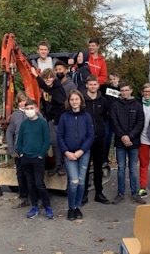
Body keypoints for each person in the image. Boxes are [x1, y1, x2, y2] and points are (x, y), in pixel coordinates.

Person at [58, 90, 95, 220]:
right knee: (73, 181)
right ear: (69, 101)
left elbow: (91, 135)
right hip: (69, 154)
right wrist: (66, 152)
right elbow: (60, 136)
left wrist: (81, 151)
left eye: (76, 99)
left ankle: (77, 207)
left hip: (83, 153)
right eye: (72, 99)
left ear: (81, 101)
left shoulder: (86, 116)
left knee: (81, 182)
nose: (74, 102)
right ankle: (70, 208)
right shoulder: (64, 117)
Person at [110, 81, 146, 205]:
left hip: (133, 142)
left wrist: (130, 136)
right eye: (122, 90)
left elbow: (140, 122)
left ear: (131, 90)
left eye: (127, 90)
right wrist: (123, 136)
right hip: (120, 143)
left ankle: (135, 193)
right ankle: (120, 193)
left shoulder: (137, 105)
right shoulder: (115, 105)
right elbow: (114, 122)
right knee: (120, 168)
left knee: (132, 169)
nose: (124, 92)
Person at [17, 99, 53, 219]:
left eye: (31, 108)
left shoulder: (42, 123)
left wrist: (41, 154)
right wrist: (21, 153)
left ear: (36, 109)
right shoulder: (24, 124)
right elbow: (19, 140)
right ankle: (34, 206)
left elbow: (47, 140)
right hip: (26, 158)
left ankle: (47, 207)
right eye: (27, 109)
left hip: (38, 159)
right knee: (30, 184)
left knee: (39, 183)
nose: (29, 111)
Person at [32, 66, 67, 176]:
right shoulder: (46, 86)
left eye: (50, 77)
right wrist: (36, 75)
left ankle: (63, 165)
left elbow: (61, 106)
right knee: (53, 142)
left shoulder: (57, 89)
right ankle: (57, 164)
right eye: (46, 78)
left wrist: (54, 119)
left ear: (53, 78)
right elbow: (41, 83)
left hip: (58, 119)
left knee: (58, 142)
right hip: (50, 118)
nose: (48, 79)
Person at [82, 75, 111, 205]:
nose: (93, 86)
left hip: (100, 137)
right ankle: (83, 194)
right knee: (85, 166)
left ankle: (99, 193)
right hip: (85, 138)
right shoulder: (82, 100)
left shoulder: (103, 101)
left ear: (98, 85)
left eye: (95, 84)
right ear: (86, 85)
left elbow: (104, 116)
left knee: (98, 166)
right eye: (90, 84)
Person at [6, 91, 33, 208]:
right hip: (19, 151)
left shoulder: (34, 113)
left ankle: (36, 198)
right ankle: (23, 198)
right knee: (21, 175)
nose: (23, 103)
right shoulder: (15, 116)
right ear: (18, 103)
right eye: (20, 101)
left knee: (34, 175)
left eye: (24, 101)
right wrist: (12, 150)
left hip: (33, 150)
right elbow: (9, 132)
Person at [100, 72, 121, 166]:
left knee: (112, 138)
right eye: (111, 79)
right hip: (106, 116)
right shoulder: (105, 87)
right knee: (106, 136)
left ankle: (111, 157)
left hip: (115, 117)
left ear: (118, 79)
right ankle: (104, 157)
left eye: (114, 79)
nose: (113, 81)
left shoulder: (120, 89)